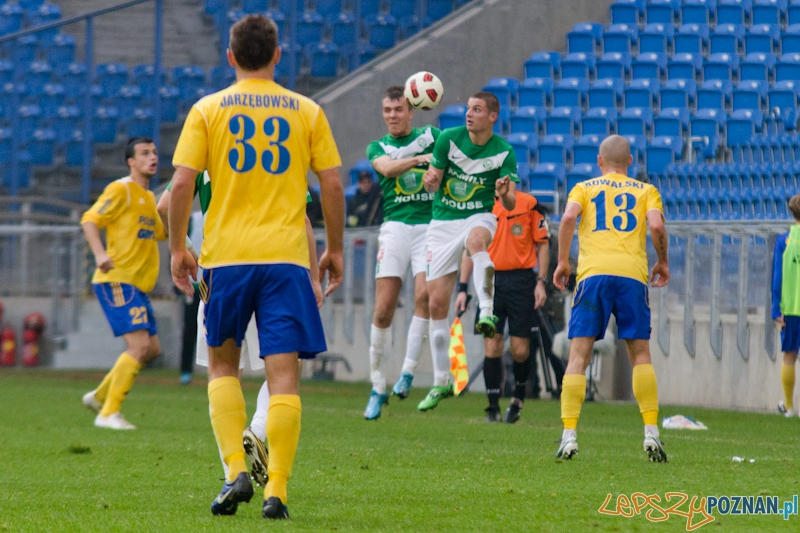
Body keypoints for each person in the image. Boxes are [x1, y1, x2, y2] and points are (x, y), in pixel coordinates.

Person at [168, 14, 345, 520]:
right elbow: (331, 184)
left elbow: (180, 186)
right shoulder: (307, 110)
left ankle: (233, 473)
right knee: (284, 378)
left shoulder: (208, 108)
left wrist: (178, 248)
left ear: (230, 56)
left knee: (223, 366)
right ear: (277, 56)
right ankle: (278, 493)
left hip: (226, 261)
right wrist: (332, 249)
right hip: (286, 259)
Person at [157, 178, 325, 487]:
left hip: (222, 270)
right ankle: (259, 432)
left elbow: (164, 205)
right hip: (276, 272)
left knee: (224, 373)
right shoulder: (283, 142)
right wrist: (314, 277)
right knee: (286, 369)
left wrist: (184, 250)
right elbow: (302, 219)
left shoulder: (208, 143)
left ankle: (233, 474)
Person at [552, 135, 669, 462]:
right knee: (641, 355)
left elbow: (566, 219)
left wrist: (563, 262)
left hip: (593, 277)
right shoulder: (646, 191)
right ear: (630, 162)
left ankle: (569, 435)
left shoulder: (585, 188)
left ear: (599, 162)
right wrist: (663, 260)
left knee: (578, 355)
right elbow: (656, 224)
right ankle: (651, 432)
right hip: (632, 277)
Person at [419, 91, 518, 411]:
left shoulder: (504, 152)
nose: (469, 114)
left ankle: (486, 310)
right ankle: (440, 381)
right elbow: (431, 184)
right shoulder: (448, 139)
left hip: (479, 216)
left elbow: (510, 203)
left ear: (493, 116)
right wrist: (430, 180)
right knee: (436, 302)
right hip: (443, 222)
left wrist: (503, 194)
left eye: (477, 109)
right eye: (467, 108)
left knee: (477, 242)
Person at [361, 86, 439, 420]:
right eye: (387, 110)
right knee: (383, 310)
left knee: (424, 297)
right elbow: (388, 169)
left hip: (428, 227)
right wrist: (420, 160)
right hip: (394, 228)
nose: (392, 115)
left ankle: (407, 373)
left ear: (412, 111)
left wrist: (437, 172)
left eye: (398, 109)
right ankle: (378, 385)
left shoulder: (433, 136)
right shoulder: (377, 147)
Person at [80, 137, 165, 430]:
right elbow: (90, 220)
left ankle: (99, 395)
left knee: (151, 349)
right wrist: (100, 253)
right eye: (144, 153)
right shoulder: (122, 189)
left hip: (137, 286)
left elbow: (162, 232)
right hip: (117, 280)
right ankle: (108, 413)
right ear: (131, 162)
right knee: (139, 346)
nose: (152, 157)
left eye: (154, 152)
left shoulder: (148, 198)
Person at [455, 189, 550, 423]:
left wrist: (541, 282)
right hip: (489, 279)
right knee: (492, 345)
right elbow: (470, 250)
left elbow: (543, 243)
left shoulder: (529, 204)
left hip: (521, 281)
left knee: (520, 350)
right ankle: (492, 407)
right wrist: (462, 288)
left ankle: (518, 397)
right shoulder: (479, 204)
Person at [772, 194, 800, 418]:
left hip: (790, 307)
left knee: (789, 356)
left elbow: (777, 277)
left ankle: (789, 407)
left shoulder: (784, 240)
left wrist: (776, 308)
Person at [178, 209, 204, 385]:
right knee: (190, 328)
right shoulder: (193, 219)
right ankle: (185, 371)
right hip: (194, 283)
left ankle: (220, 371)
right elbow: (179, 245)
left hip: (217, 282)